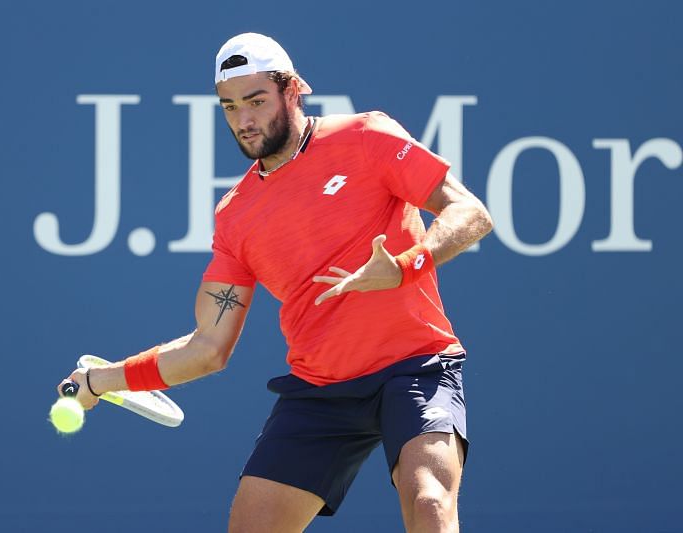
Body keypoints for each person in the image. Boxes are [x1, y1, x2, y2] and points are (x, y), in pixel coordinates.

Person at [57, 32, 493, 533]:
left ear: (293, 91)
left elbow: (471, 213)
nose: (244, 120)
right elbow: (207, 348)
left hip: (415, 366)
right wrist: (99, 380)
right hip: (319, 389)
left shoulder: (367, 136)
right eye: (230, 107)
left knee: (431, 504)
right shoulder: (235, 216)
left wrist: (406, 265)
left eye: (257, 101)